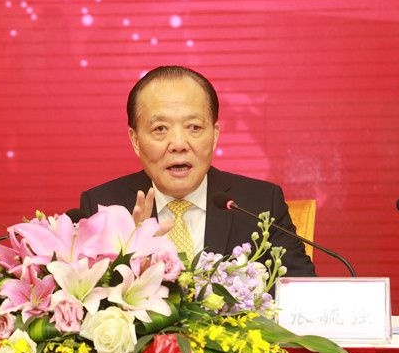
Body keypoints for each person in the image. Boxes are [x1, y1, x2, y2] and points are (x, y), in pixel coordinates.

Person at [80, 65, 315, 277]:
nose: (178, 144)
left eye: (194, 127)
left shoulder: (260, 203)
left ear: (215, 135)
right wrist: (129, 254)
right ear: (135, 140)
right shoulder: (103, 208)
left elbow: (302, 293)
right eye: (160, 128)